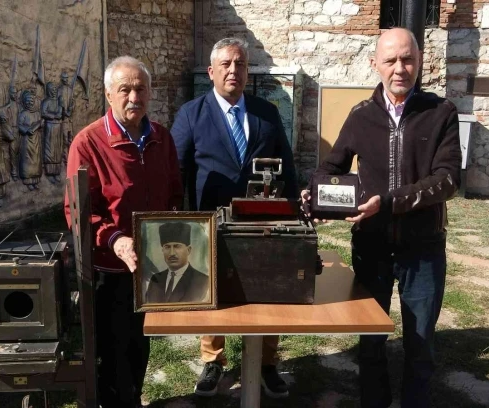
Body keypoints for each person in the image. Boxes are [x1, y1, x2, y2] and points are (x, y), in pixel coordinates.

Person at [302, 28, 462, 408]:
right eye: (390, 60)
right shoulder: (361, 116)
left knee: (420, 344)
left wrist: (388, 202)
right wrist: (318, 195)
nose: (400, 68)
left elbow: (447, 179)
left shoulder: (441, 113)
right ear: (375, 64)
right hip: (371, 245)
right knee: (370, 342)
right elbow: (330, 167)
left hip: (422, 250)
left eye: (407, 59)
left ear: (420, 61)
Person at [171, 37, 297, 399]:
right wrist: (178, 218)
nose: (233, 71)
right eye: (225, 64)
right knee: (215, 293)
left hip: (262, 221)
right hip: (211, 221)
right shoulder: (191, 114)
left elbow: (285, 164)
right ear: (211, 72)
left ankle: (267, 362)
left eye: (240, 64)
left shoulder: (266, 112)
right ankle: (213, 360)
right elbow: (177, 169)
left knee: (269, 288)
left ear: (247, 71)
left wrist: (291, 207)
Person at [64, 56, 182, 408]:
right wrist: (116, 240)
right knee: (111, 348)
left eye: (141, 89)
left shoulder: (161, 137)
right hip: (109, 269)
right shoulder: (88, 144)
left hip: (151, 264)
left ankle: (134, 396)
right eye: (125, 89)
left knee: (140, 340)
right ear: (108, 95)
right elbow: (77, 212)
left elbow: (174, 193)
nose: (134, 97)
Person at [145, 222, 210, 304]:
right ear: (163, 250)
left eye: (177, 246)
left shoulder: (202, 281)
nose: (172, 253)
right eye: (167, 247)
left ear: (188, 250)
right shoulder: (155, 279)